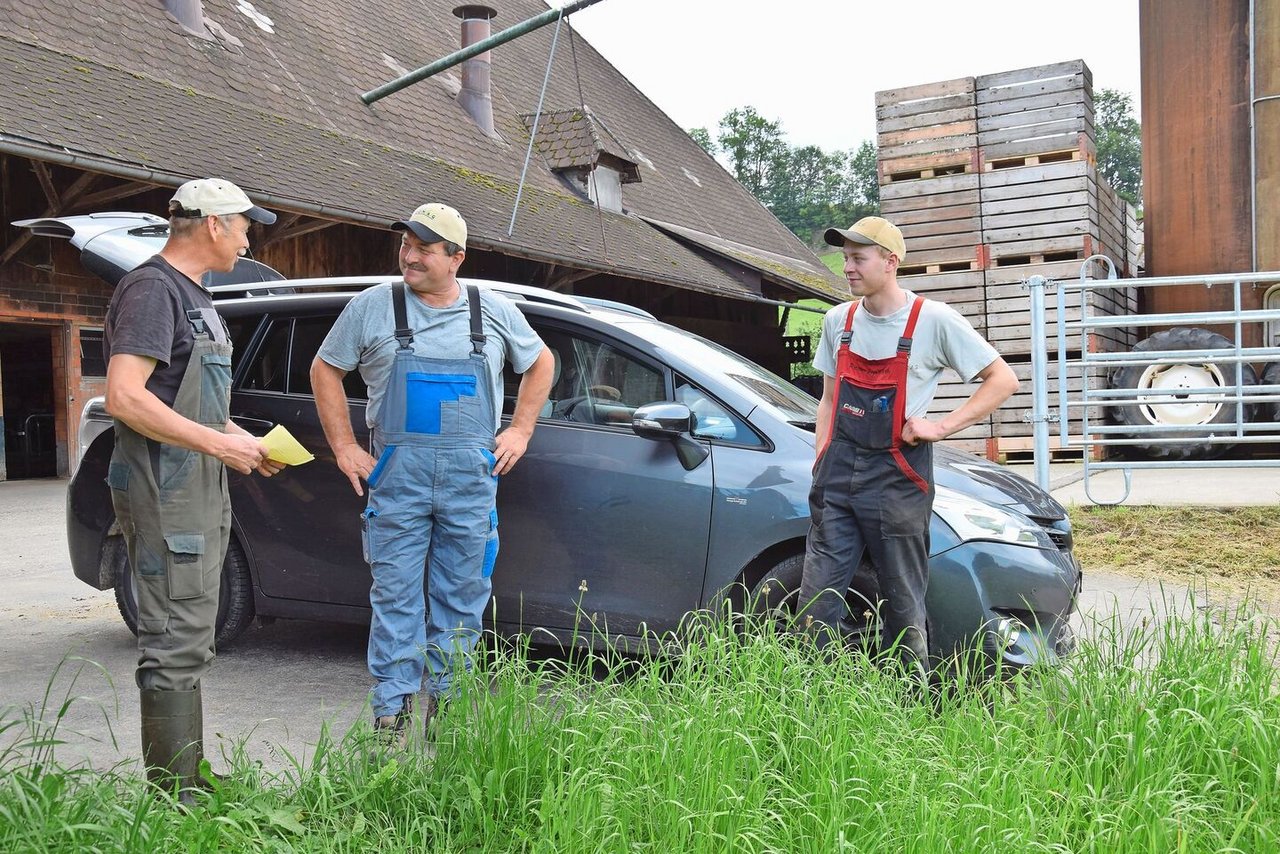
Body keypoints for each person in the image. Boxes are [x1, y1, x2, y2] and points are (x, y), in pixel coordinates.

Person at [311, 202, 553, 742]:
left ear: (457, 258)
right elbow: (324, 368)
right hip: (397, 479)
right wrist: (345, 445)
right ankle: (389, 716)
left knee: (462, 597)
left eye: (424, 248)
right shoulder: (373, 307)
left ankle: (449, 713)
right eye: (406, 245)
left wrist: (520, 430)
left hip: (471, 482)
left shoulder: (492, 311)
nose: (409, 256)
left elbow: (541, 362)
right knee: (394, 595)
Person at [103, 178, 283, 797]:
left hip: (197, 483)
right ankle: (171, 797)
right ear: (212, 225)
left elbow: (187, 398)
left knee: (193, 631)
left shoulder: (195, 295)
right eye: (242, 225)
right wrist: (218, 444)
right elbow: (125, 397)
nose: (247, 236)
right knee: (173, 638)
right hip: (165, 486)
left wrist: (244, 444)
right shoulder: (153, 290)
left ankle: (189, 777)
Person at [798, 216, 1018, 680]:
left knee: (902, 600)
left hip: (899, 477)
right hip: (838, 474)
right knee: (816, 601)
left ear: (890, 262)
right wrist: (822, 458)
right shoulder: (838, 320)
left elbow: (1003, 379)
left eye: (859, 258)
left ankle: (908, 698)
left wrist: (943, 426)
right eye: (846, 258)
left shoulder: (932, 321)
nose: (848, 268)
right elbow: (830, 399)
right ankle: (818, 698)